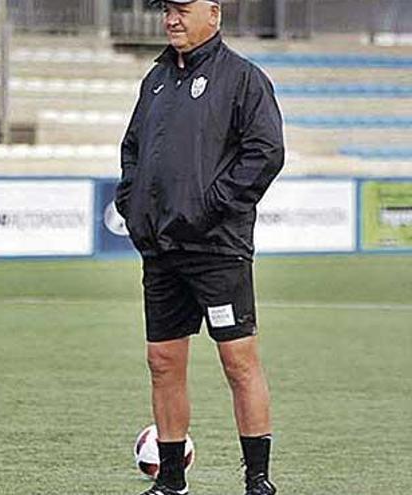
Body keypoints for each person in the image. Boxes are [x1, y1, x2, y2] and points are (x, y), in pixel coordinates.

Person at [114, 1, 284, 494]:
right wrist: (134, 204)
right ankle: (171, 481)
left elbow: (266, 151)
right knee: (163, 362)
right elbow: (132, 150)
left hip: (216, 248)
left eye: (182, 9)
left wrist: (210, 207)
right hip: (162, 248)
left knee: (238, 360)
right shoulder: (156, 81)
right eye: (166, 9)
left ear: (214, 12)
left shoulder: (244, 79)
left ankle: (257, 480)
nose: (171, 18)